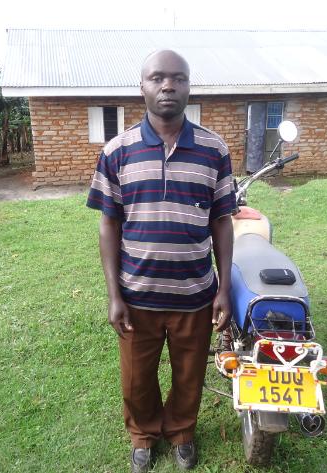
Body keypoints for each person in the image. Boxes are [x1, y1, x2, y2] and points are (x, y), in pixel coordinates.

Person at [86, 50, 237, 472]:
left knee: (189, 375)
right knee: (137, 379)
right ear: (143, 87)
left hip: (195, 294)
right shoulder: (117, 151)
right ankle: (143, 433)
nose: (168, 85)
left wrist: (224, 288)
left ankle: (182, 431)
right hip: (138, 296)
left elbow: (222, 221)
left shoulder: (214, 150)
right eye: (157, 78)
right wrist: (114, 296)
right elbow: (108, 225)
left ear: (189, 86)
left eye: (178, 78)